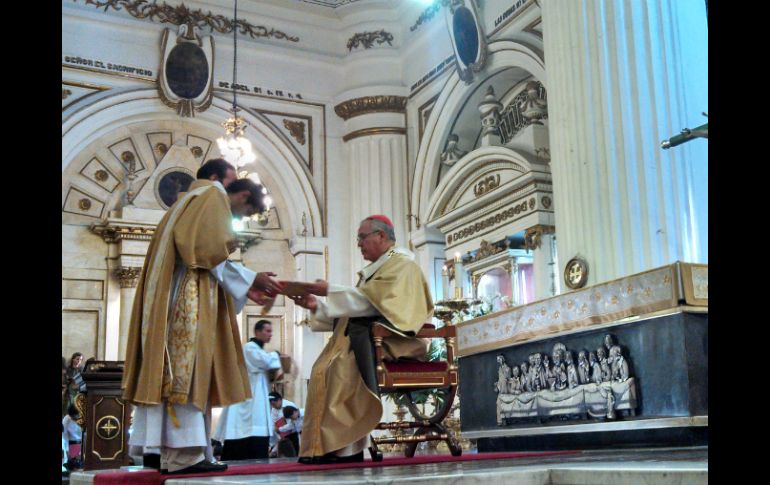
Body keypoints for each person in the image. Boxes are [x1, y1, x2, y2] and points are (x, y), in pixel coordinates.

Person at [121, 159, 283, 475]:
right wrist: (251, 279)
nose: (237, 217)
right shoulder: (211, 195)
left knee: (172, 373)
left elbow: (201, 253)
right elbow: (205, 251)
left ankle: (161, 451)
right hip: (187, 300)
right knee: (186, 370)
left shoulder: (184, 204)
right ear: (219, 181)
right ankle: (184, 455)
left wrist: (246, 284)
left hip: (176, 294)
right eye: (244, 210)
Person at [288, 215, 433, 464]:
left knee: (341, 367)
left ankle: (345, 448)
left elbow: (370, 305)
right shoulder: (379, 269)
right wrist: (316, 305)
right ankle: (323, 446)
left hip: (396, 340)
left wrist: (328, 290)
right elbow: (356, 309)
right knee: (322, 367)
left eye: (362, 237)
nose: (359, 243)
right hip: (371, 336)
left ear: (381, 236)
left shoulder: (402, 266)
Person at [213, 320, 282, 460]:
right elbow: (266, 361)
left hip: (257, 392)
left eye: (271, 331)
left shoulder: (258, 349)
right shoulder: (249, 348)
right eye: (267, 331)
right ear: (257, 332)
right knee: (247, 422)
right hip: (249, 394)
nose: (270, 334)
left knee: (257, 421)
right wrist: (277, 354)